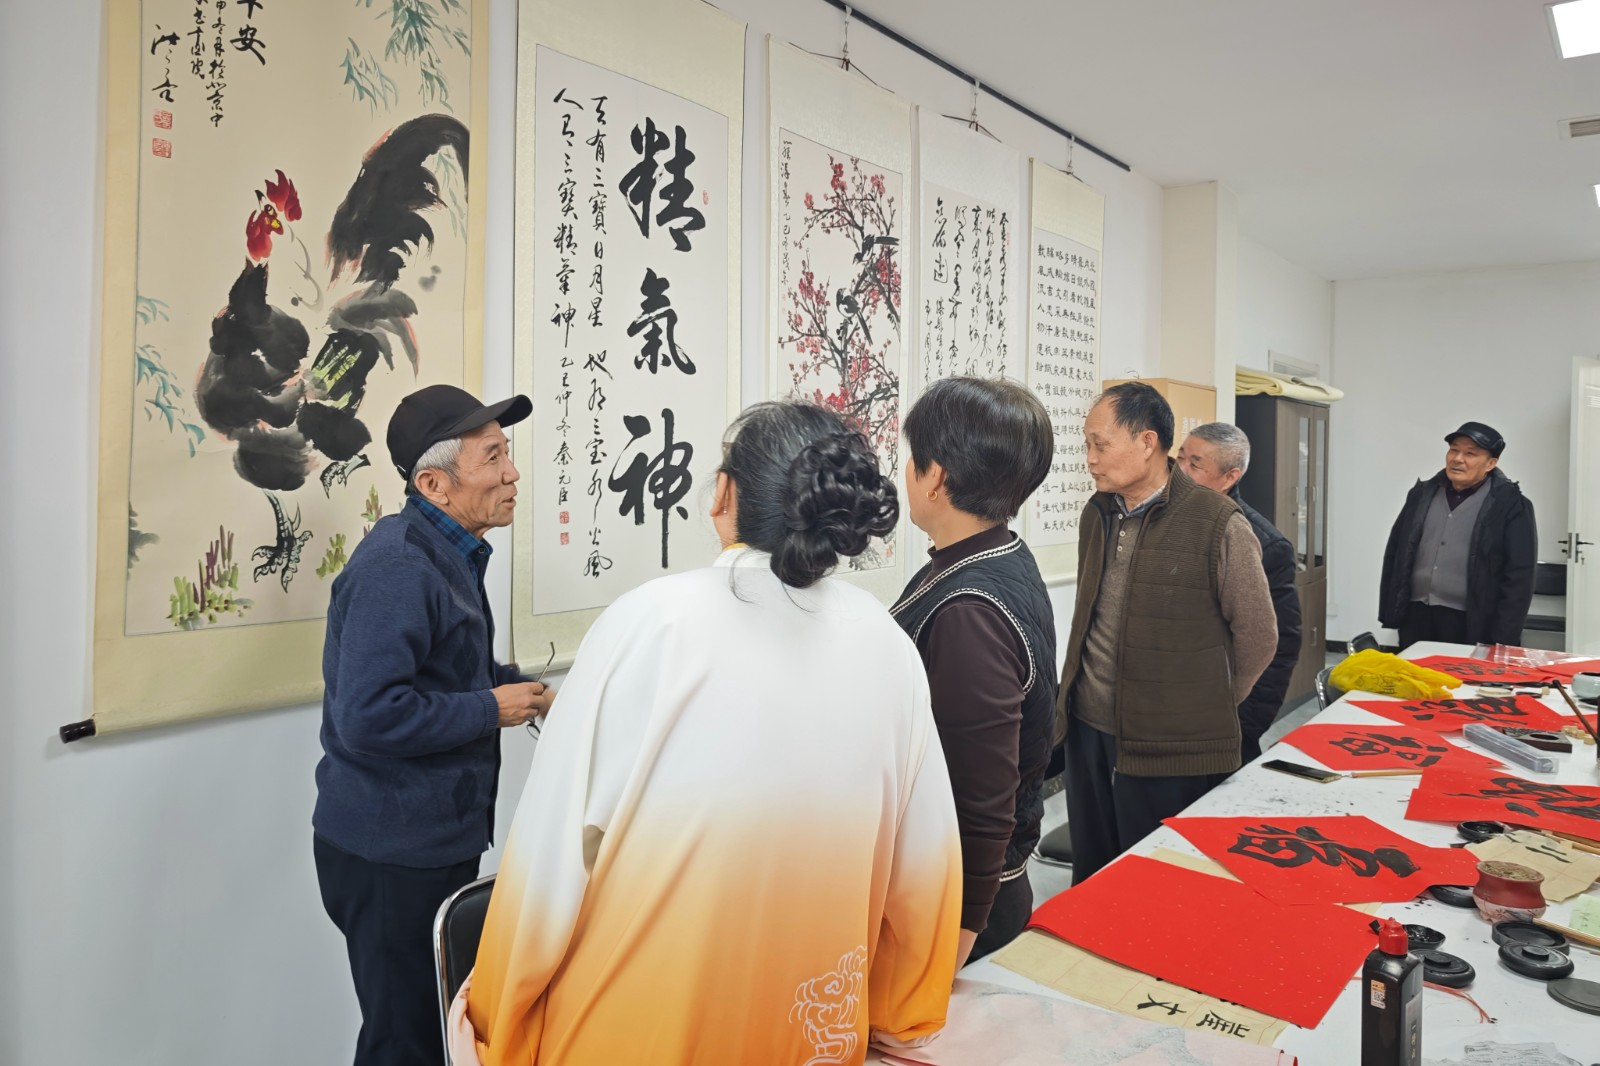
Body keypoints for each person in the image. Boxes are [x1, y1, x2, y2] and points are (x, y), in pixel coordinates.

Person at [454, 402, 963, 1066]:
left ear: (724, 495)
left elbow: (553, 854)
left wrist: (497, 1020)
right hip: (809, 1035)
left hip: (639, 1036)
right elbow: (922, 869)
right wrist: (897, 1016)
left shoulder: (650, 623)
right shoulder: (885, 642)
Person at [312, 384, 553, 1066]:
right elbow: (369, 715)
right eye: (492, 458)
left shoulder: (449, 550)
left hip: (430, 840)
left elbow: (439, 671)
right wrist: (492, 708)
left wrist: (514, 686)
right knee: (405, 1042)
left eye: (507, 453)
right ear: (434, 485)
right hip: (389, 853)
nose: (511, 473)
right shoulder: (399, 566)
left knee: (434, 1029)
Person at [1058, 382, 1276, 884]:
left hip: (1170, 748)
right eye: (1086, 445)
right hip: (1088, 733)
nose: (1090, 459)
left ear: (1146, 441)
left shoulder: (1217, 522)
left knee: (1158, 883)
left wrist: (1206, 704)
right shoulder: (1098, 512)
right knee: (1093, 880)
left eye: (1100, 444)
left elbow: (1259, 636)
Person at [892, 377, 1057, 963]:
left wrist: (960, 935)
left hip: (964, 905)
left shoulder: (970, 611)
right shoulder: (992, 554)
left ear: (935, 476)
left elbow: (982, 798)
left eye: (912, 458)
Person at [1178, 422, 1302, 763]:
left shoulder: (1263, 543)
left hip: (1225, 719)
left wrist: (1244, 724)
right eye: (1180, 458)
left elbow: (1278, 644)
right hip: (1170, 715)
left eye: (1195, 465)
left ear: (1229, 477)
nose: (1180, 472)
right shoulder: (1163, 520)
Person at [1379, 422, 1537, 650]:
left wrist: (1504, 637)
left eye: (1470, 453)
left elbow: (1519, 576)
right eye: (1454, 450)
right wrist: (1391, 609)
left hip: (1473, 620)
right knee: (1414, 671)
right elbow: (1396, 551)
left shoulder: (1510, 505)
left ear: (1491, 463)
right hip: (1417, 614)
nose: (1458, 459)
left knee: (1463, 674)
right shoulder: (1422, 495)